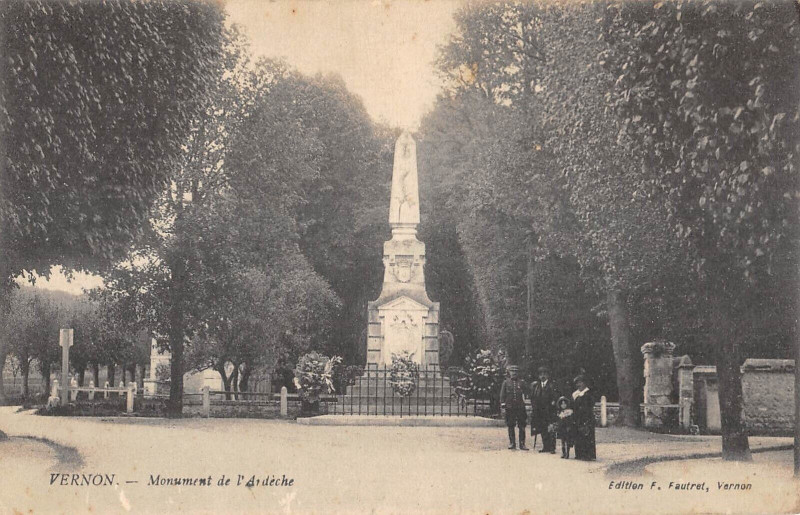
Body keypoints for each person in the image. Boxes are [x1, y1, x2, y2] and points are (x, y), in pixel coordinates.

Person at [500, 365, 530, 450]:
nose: (514, 373)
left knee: (522, 426)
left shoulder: (522, 382)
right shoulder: (506, 382)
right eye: (512, 371)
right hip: (510, 407)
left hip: (520, 407)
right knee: (510, 425)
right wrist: (503, 406)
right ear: (509, 372)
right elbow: (502, 395)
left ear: (518, 373)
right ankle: (512, 443)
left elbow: (527, 392)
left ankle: (522, 444)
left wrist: (526, 400)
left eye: (515, 371)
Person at [529, 366, 558, 453]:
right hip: (539, 411)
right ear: (538, 376)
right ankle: (546, 446)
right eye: (541, 374)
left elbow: (555, 397)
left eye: (544, 374)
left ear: (548, 375)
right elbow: (533, 397)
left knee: (551, 429)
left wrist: (553, 404)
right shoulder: (536, 386)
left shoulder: (552, 385)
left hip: (549, 411)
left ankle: (552, 447)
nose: (542, 376)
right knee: (542, 429)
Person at [572, 375, 596, 461]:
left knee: (587, 435)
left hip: (586, 417)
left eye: (580, 382)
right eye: (577, 383)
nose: (579, 385)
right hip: (577, 417)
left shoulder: (588, 394)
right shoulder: (575, 394)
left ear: (585, 384)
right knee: (578, 435)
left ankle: (588, 455)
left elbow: (590, 406)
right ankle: (579, 454)